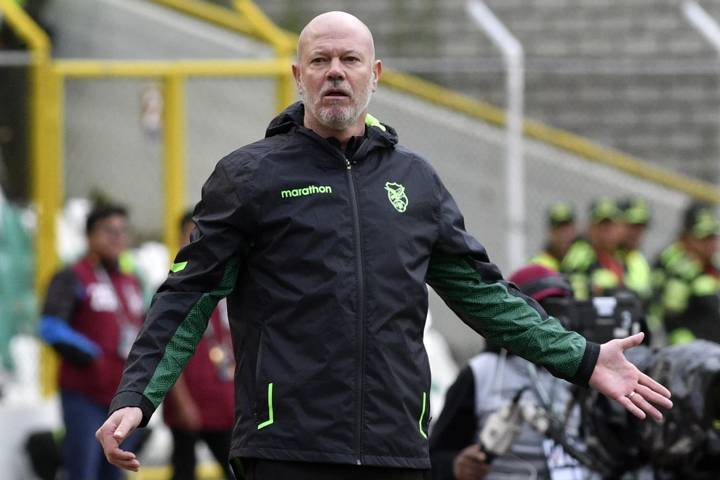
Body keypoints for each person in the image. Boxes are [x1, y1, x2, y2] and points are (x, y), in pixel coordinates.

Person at [96, 12, 672, 480]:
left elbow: (485, 295)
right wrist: (136, 396)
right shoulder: (250, 176)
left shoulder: (416, 182)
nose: (335, 73)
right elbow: (188, 295)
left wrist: (585, 358)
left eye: (349, 60)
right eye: (320, 61)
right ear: (298, 75)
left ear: (376, 73)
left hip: (397, 446)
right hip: (287, 448)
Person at [430, 265, 598, 480]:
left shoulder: (587, 372)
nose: (554, 322)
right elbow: (433, 456)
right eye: (543, 309)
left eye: (560, 309)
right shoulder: (483, 372)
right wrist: (455, 466)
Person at [39, 204, 145, 480]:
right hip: (84, 395)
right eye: (108, 231)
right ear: (89, 237)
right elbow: (50, 327)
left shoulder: (131, 281)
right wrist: (93, 355)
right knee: (83, 470)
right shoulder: (72, 275)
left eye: (123, 231)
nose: (117, 238)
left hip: (122, 398)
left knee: (116, 471)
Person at [162, 212, 236, 480]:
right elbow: (166, 351)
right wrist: (182, 402)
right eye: (192, 234)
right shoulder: (173, 288)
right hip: (189, 405)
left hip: (224, 402)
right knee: (184, 469)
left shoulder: (227, 282)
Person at [651, 202, 720, 345]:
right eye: (704, 239)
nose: (711, 244)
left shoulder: (712, 267)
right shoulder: (682, 272)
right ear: (690, 238)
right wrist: (688, 345)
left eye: (713, 237)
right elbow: (671, 317)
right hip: (694, 351)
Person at [561, 198, 626, 300]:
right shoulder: (580, 254)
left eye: (611, 225)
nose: (607, 231)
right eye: (602, 225)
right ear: (590, 227)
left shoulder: (616, 257)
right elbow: (574, 294)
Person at [618, 197, 652, 304]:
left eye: (642, 227)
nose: (637, 233)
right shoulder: (601, 254)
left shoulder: (640, 262)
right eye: (632, 226)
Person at [530, 202, 576, 272]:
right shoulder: (538, 264)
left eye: (567, 229)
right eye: (559, 228)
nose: (564, 234)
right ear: (550, 231)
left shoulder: (585, 256)